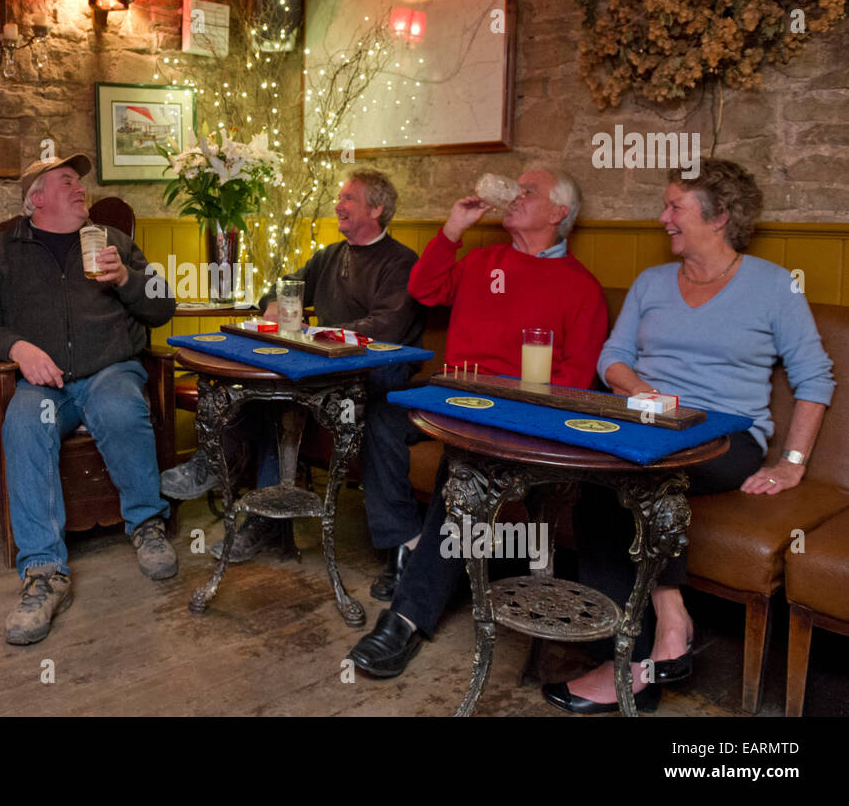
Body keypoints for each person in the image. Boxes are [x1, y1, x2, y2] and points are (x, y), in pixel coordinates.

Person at [544, 159, 834, 714]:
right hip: (646, 423)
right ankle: (651, 647)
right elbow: (613, 358)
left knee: (631, 482)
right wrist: (645, 393)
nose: (663, 217)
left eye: (675, 206)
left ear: (719, 216)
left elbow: (814, 377)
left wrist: (792, 461)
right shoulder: (652, 282)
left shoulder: (773, 286)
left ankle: (645, 646)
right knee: (602, 487)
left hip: (726, 437)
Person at [347, 165, 608, 677]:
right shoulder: (483, 260)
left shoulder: (581, 288)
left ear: (559, 214)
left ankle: (406, 614)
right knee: (379, 414)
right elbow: (423, 290)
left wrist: (508, 408)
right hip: (448, 402)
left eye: (527, 191)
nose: (515, 194)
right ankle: (409, 544)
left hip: (512, 419)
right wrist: (452, 229)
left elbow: (576, 382)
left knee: (459, 473)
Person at [161, 170, 426, 597]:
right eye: (339, 197)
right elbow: (286, 286)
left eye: (349, 199)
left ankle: (402, 550)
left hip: (378, 376)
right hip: (327, 370)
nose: (338, 205)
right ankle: (252, 504)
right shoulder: (330, 256)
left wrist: (314, 335)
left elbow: (386, 329)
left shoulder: (400, 263)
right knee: (263, 399)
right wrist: (273, 304)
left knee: (376, 423)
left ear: (377, 209)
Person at [0, 153, 179, 647]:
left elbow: (163, 306)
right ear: (36, 198)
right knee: (22, 423)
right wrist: (19, 350)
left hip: (109, 370)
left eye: (79, 180)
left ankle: (146, 525)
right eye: (66, 181)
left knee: (120, 407)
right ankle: (43, 573)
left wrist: (126, 279)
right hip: (45, 384)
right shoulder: (0, 254)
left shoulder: (114, 243)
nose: (80, 187)